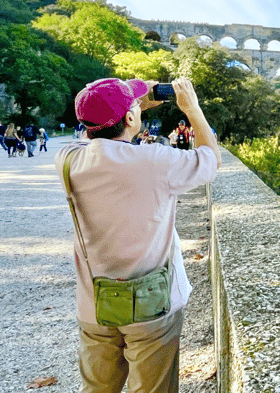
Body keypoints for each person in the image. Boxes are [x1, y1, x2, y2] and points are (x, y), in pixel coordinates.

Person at [55, 77, 221, 393]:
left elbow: (93, 135)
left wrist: (127, 110)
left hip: (94, 304)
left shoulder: (67, 161)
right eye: (133, 107)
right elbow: (210, 160)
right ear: (131, 118)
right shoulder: (155, 161)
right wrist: (193, 109)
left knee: (97, 389)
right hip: (152, 306)